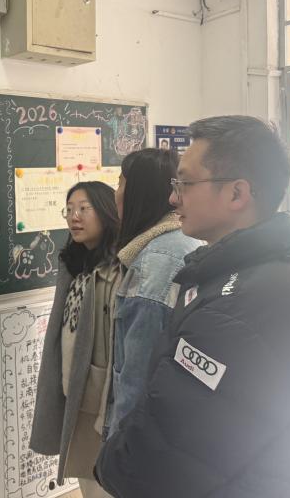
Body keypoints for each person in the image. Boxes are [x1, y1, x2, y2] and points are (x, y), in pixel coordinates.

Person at [96, 116, 290, 498]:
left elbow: (156, 463)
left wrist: (108, 465)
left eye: (185, 183)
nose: (173, 199)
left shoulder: (233, 311)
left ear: (237, 194)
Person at [102, 148, 201, 438]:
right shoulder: (185, 242)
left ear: (138, 194)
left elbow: (137, 382)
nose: (116, 194)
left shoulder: (156, 263)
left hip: (147, 438)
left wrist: (118, 451)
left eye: (120, 183)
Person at [30, 181, 120, 498]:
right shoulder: (73, 265)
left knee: (102, 482)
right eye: (69, 210)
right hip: (73, 391)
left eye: (83, 208)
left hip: (99, 400)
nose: (74, 217)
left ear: (106, 211)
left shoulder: (118, 268)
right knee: (85, 480)